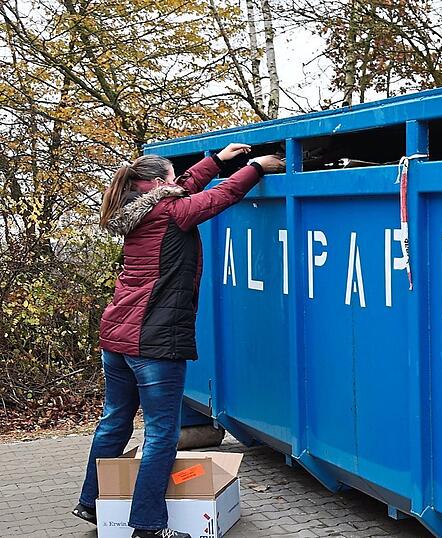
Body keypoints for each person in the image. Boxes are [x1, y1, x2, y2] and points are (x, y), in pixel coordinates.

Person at [72, 144, 285, 538]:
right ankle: (148, 526)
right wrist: (256, 166)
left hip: (117, 339)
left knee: (114, 422)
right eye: (171, 177)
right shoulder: (170, 214)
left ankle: (90, 502)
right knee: (161, 434)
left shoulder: (138, 210)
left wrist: (218, 160)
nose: (177, 182)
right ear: (156, 184)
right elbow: (221, 196)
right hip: (153, 341)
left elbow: (185, 187)